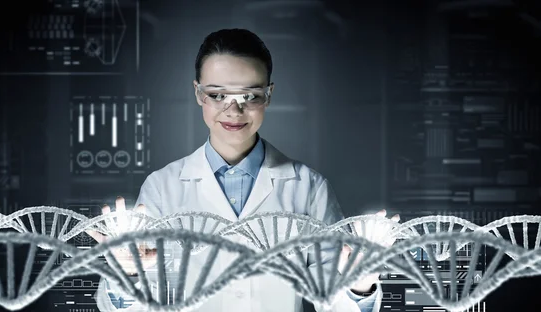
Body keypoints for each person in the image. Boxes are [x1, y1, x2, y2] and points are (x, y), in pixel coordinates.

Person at [86, 28, 400, 312]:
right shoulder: (162, 188)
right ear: (198, 94)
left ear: (269, 94)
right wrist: (126, 271)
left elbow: (335, 304)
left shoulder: (308, 188)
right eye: (218, 95)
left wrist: (360, 283)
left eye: (250, 96)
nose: (234, 110)